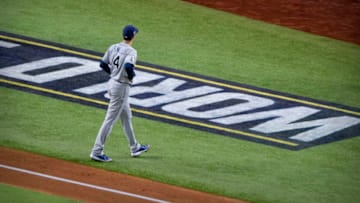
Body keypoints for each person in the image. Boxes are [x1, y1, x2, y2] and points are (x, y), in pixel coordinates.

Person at [90, 25, 150, 162]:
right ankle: (97, 151)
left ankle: (135, 147)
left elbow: (102, 64)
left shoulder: (113, 47)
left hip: (112, 83)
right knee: (110, 120)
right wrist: (131, 76)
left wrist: (114, 74)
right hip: (121, 87)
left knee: (126, 116)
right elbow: (128, 66)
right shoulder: (132, 51)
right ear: (133, 36)